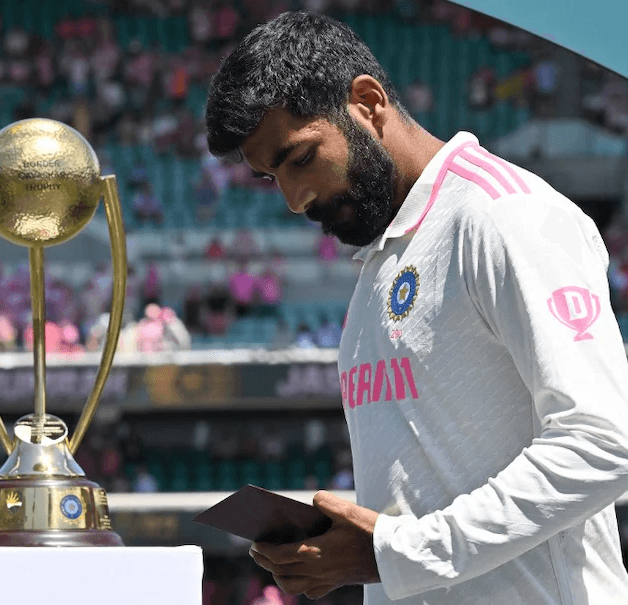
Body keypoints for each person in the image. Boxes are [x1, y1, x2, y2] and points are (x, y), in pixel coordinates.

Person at [205, 12, 628, 604]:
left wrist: (398, 553)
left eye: (300, 159)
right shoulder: (380, 263)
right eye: (271, 177)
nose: (295, 200)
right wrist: (343, 551)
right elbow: (414, 503)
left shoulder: (503, 214)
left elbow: (604, 441)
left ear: (367, 102)